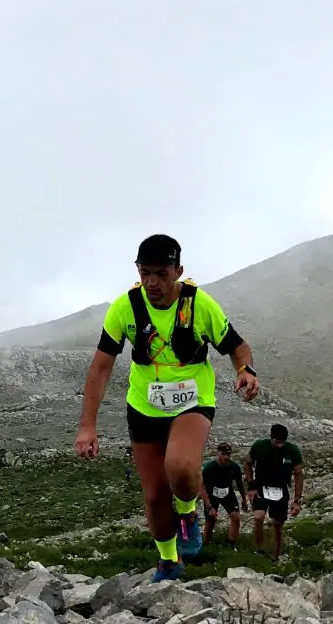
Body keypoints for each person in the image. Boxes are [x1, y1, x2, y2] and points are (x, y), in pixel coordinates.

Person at [74, 233, 260, 581]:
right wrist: (87, 426)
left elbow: (237, 346)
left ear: (178, 271)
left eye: (161, 274)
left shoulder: (199, 305)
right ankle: (168, 561)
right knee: (156, 496)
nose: (151, 282)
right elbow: (100, 367)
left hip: (193, 399)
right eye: (144, 273)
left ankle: (188, 513)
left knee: (180, 465)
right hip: (144, 405)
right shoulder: (125, 308)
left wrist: (245, 370)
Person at [244, 423, 304, 561]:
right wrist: (251, 486)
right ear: (271, 438)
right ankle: (259, 549)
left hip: (280, 489)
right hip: (261, 487)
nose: (280, 445)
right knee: (258, 517)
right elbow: (247, 463)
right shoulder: (260, 446)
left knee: (277, 524)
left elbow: (299, 474)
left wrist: (296, 500)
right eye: (277, 442)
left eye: (282, 442)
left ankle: (275, 557)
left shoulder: (293, 450)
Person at [199, 441, 246, 549]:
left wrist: (244, 499)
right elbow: (202, 488)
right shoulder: (209, 467)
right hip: (212, 494)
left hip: (227, 493)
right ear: (218, 453)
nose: (226, 457)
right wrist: (209, 506)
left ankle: (231, 544)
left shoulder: (234, 467)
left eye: (228, 454)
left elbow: (239, 484)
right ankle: (206, 544)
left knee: (236, 517)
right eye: (223, 454)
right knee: (211, 521)